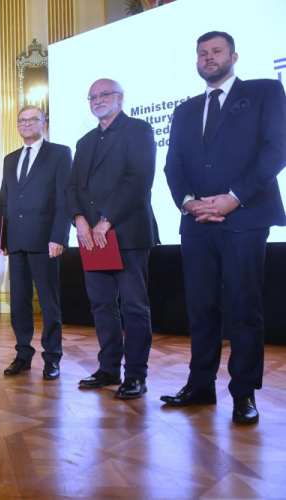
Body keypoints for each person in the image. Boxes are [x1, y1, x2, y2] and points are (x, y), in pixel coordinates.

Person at [162, 31, 286, 424]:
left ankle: (243, 393)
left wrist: (234, 197)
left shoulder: (265, 92)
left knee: (244, 309)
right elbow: (173, 167)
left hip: (245, 219)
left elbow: (276, 149)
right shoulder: (184, 110)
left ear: (234, 55)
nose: (208, 58)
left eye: (216, 51)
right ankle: (200, 385)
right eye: (202, 53)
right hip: (196, 223)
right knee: (200, 309)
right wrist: (188, 203)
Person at [66, 79, 158, 399]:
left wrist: (106, 221)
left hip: (127, 233)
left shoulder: (139, 130)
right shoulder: (84, 141)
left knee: (134, 307)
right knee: (102, 305)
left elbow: (139, 180)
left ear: (120, 97)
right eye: (92, 96)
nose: (97, 100)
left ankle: (135, 375)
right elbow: (73, 187)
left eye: (104, 94)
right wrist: (79, 220)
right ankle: (108, 369)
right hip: (91, 237)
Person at [0, 105, 73, 379]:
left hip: (45, 240)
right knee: (19, 302)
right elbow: (5, 198)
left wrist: (59, 236)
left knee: (49, 303)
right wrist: (1, 235)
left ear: (44, 124)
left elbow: (65, 199)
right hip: (15, 240)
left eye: (32, 120)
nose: (26, 124)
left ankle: (52, 358)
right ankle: (23, 354)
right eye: (22, 120)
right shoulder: (10, 158)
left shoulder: (60, 153)